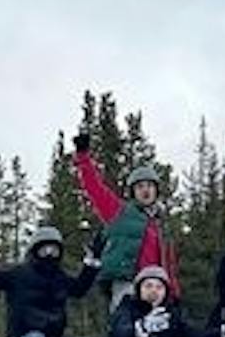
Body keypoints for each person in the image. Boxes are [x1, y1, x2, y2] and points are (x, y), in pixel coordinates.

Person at [73, 131, 179, 310]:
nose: (145, 190)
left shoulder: (162, 225)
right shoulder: (119, 211)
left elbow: (169, 263)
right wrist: (83, 157)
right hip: (127, 283)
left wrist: (174, 293)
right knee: (127, 327)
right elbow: (94, 188)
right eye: (140, 187)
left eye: (149, 186)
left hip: (156, 286)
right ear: (133, 192)